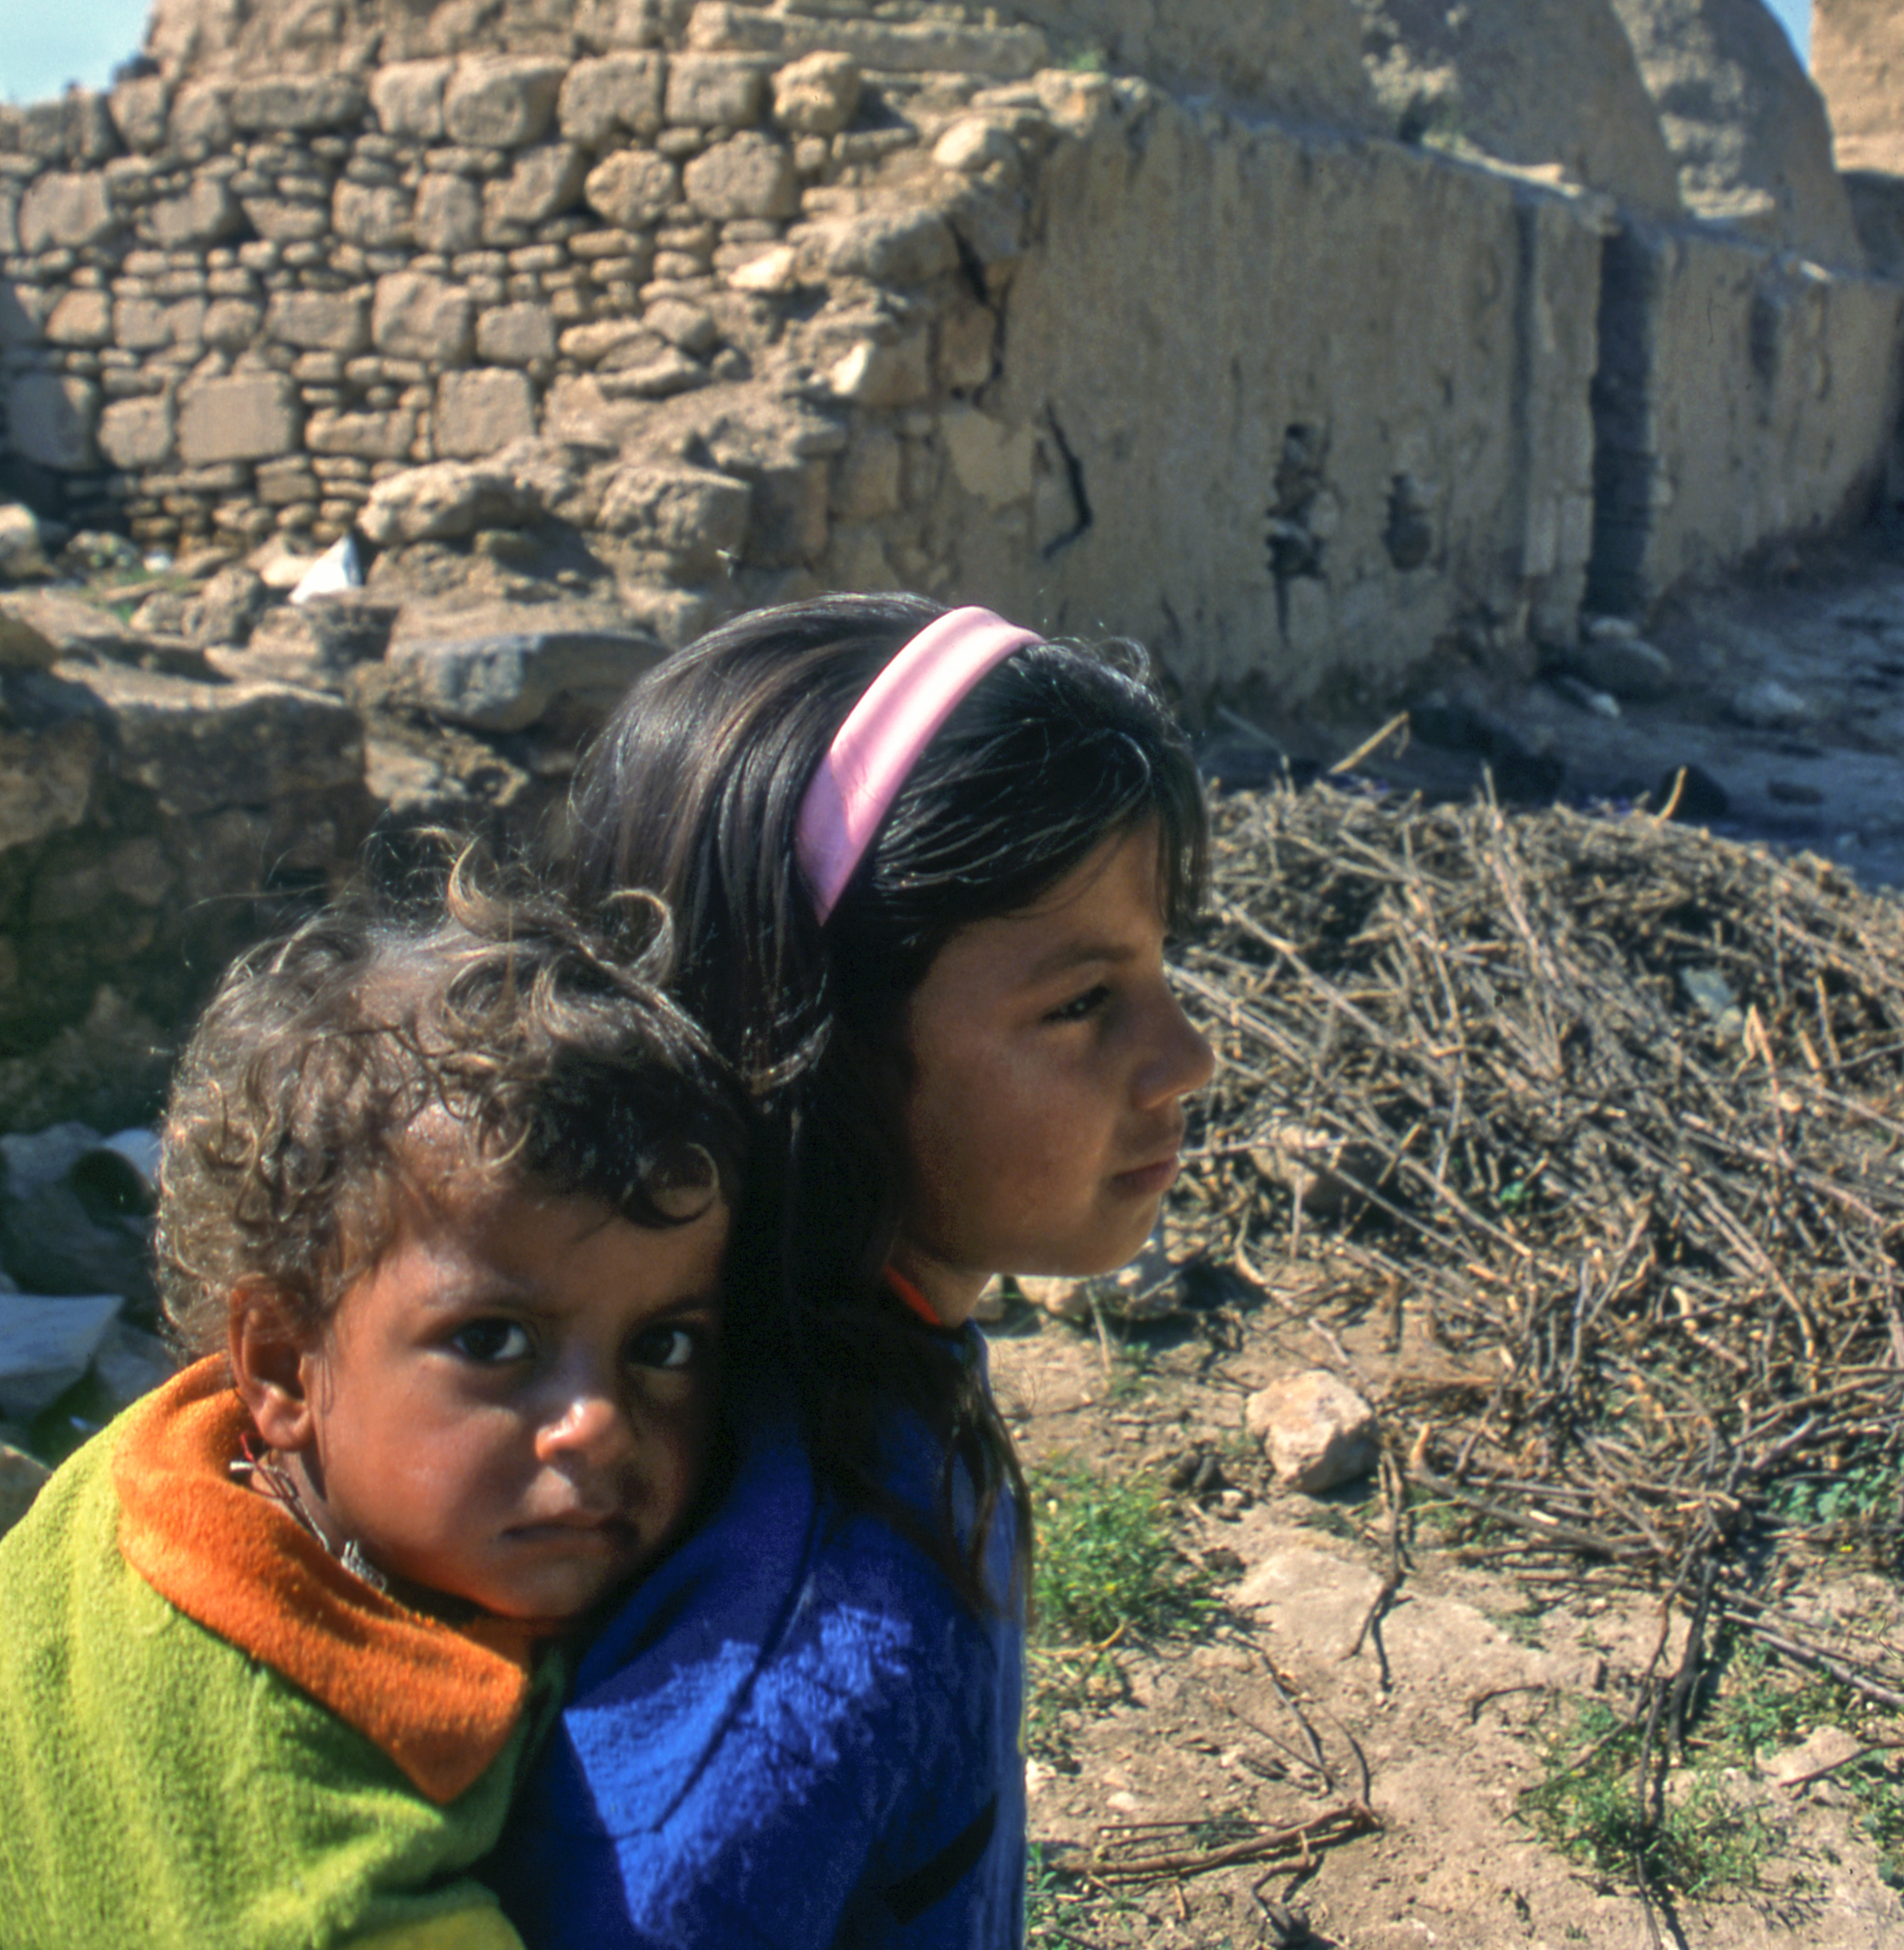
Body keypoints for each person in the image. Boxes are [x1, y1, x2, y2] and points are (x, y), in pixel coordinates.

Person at [492, 596, 1217, 1950]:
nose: (1187, 1058)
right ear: (815, 1047)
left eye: (1162, 967)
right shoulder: (804, 1651)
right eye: (1080, 1005)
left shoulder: (873, 1373)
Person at [0, 862, 741, 1950]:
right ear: (288, 1368)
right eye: (492, 1340)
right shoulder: (303, 1846)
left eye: (663, 1344)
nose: (596, 1420)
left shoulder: (188, 1449)